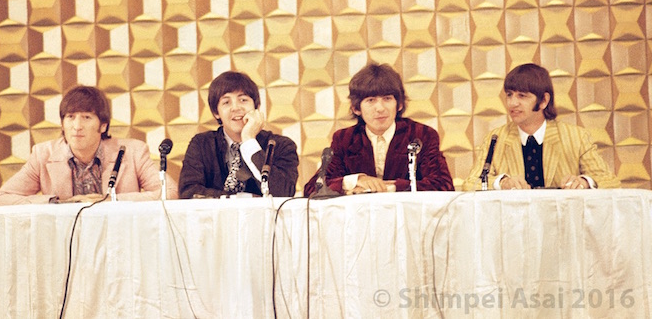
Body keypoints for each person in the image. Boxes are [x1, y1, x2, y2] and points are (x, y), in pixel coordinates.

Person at [0, 85, 177, 205]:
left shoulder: (133, 152)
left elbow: (170, 192)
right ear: (62, 124)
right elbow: (1, 199)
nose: (77, 126)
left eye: (87, 117)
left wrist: (112, 200)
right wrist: (56, 203)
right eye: (70, 117)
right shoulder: (43, 154)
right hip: (64, 240)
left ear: (103, 125)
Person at [463, 63, 621, 190]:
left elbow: (610, 182)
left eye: (522, 96)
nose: (512, 103)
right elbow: (470, 184)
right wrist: (502, 183)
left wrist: (585, 182)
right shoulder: (496, 138)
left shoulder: (576, 137)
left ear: (544, 100)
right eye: (509, 95)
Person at [303, 63, 454, 196]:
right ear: (356, 108)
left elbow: (444, 185)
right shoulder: (344, 139)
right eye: (371, 100)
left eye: (387, 99)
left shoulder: (421, 135)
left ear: (399, 104)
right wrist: (355, 181)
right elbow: (312, 188)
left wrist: (392, 187)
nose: (380, 108)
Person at [179, 71, 299, 198]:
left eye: (243, 100)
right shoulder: (201, 144)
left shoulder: (281, 146)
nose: (235, 108)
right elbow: (189, 192)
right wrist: (241, 199)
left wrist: (249, 141)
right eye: (226, 102)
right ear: (216, 112)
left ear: (256, 107)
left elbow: (284, 193)